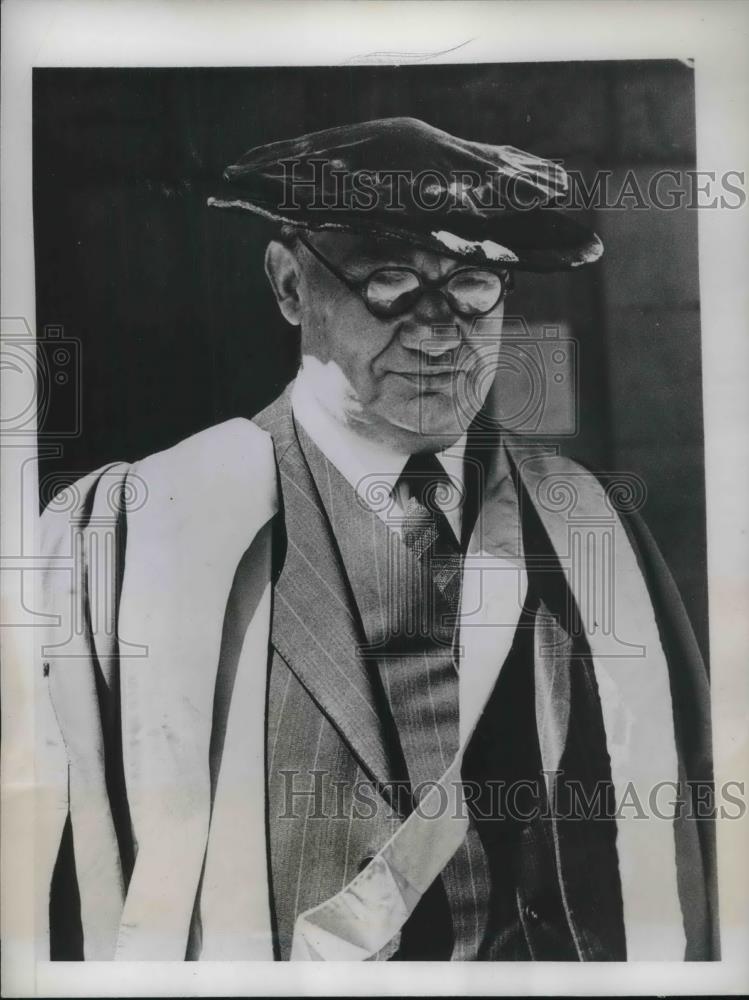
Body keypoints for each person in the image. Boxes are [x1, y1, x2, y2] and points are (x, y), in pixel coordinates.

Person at [37, 117, 718, 962]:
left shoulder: (587, 527)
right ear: (289, 284)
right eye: (390, 281)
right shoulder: (132, 536)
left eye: (472, 283)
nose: (438, 331)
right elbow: (58, 879)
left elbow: (687, 844)